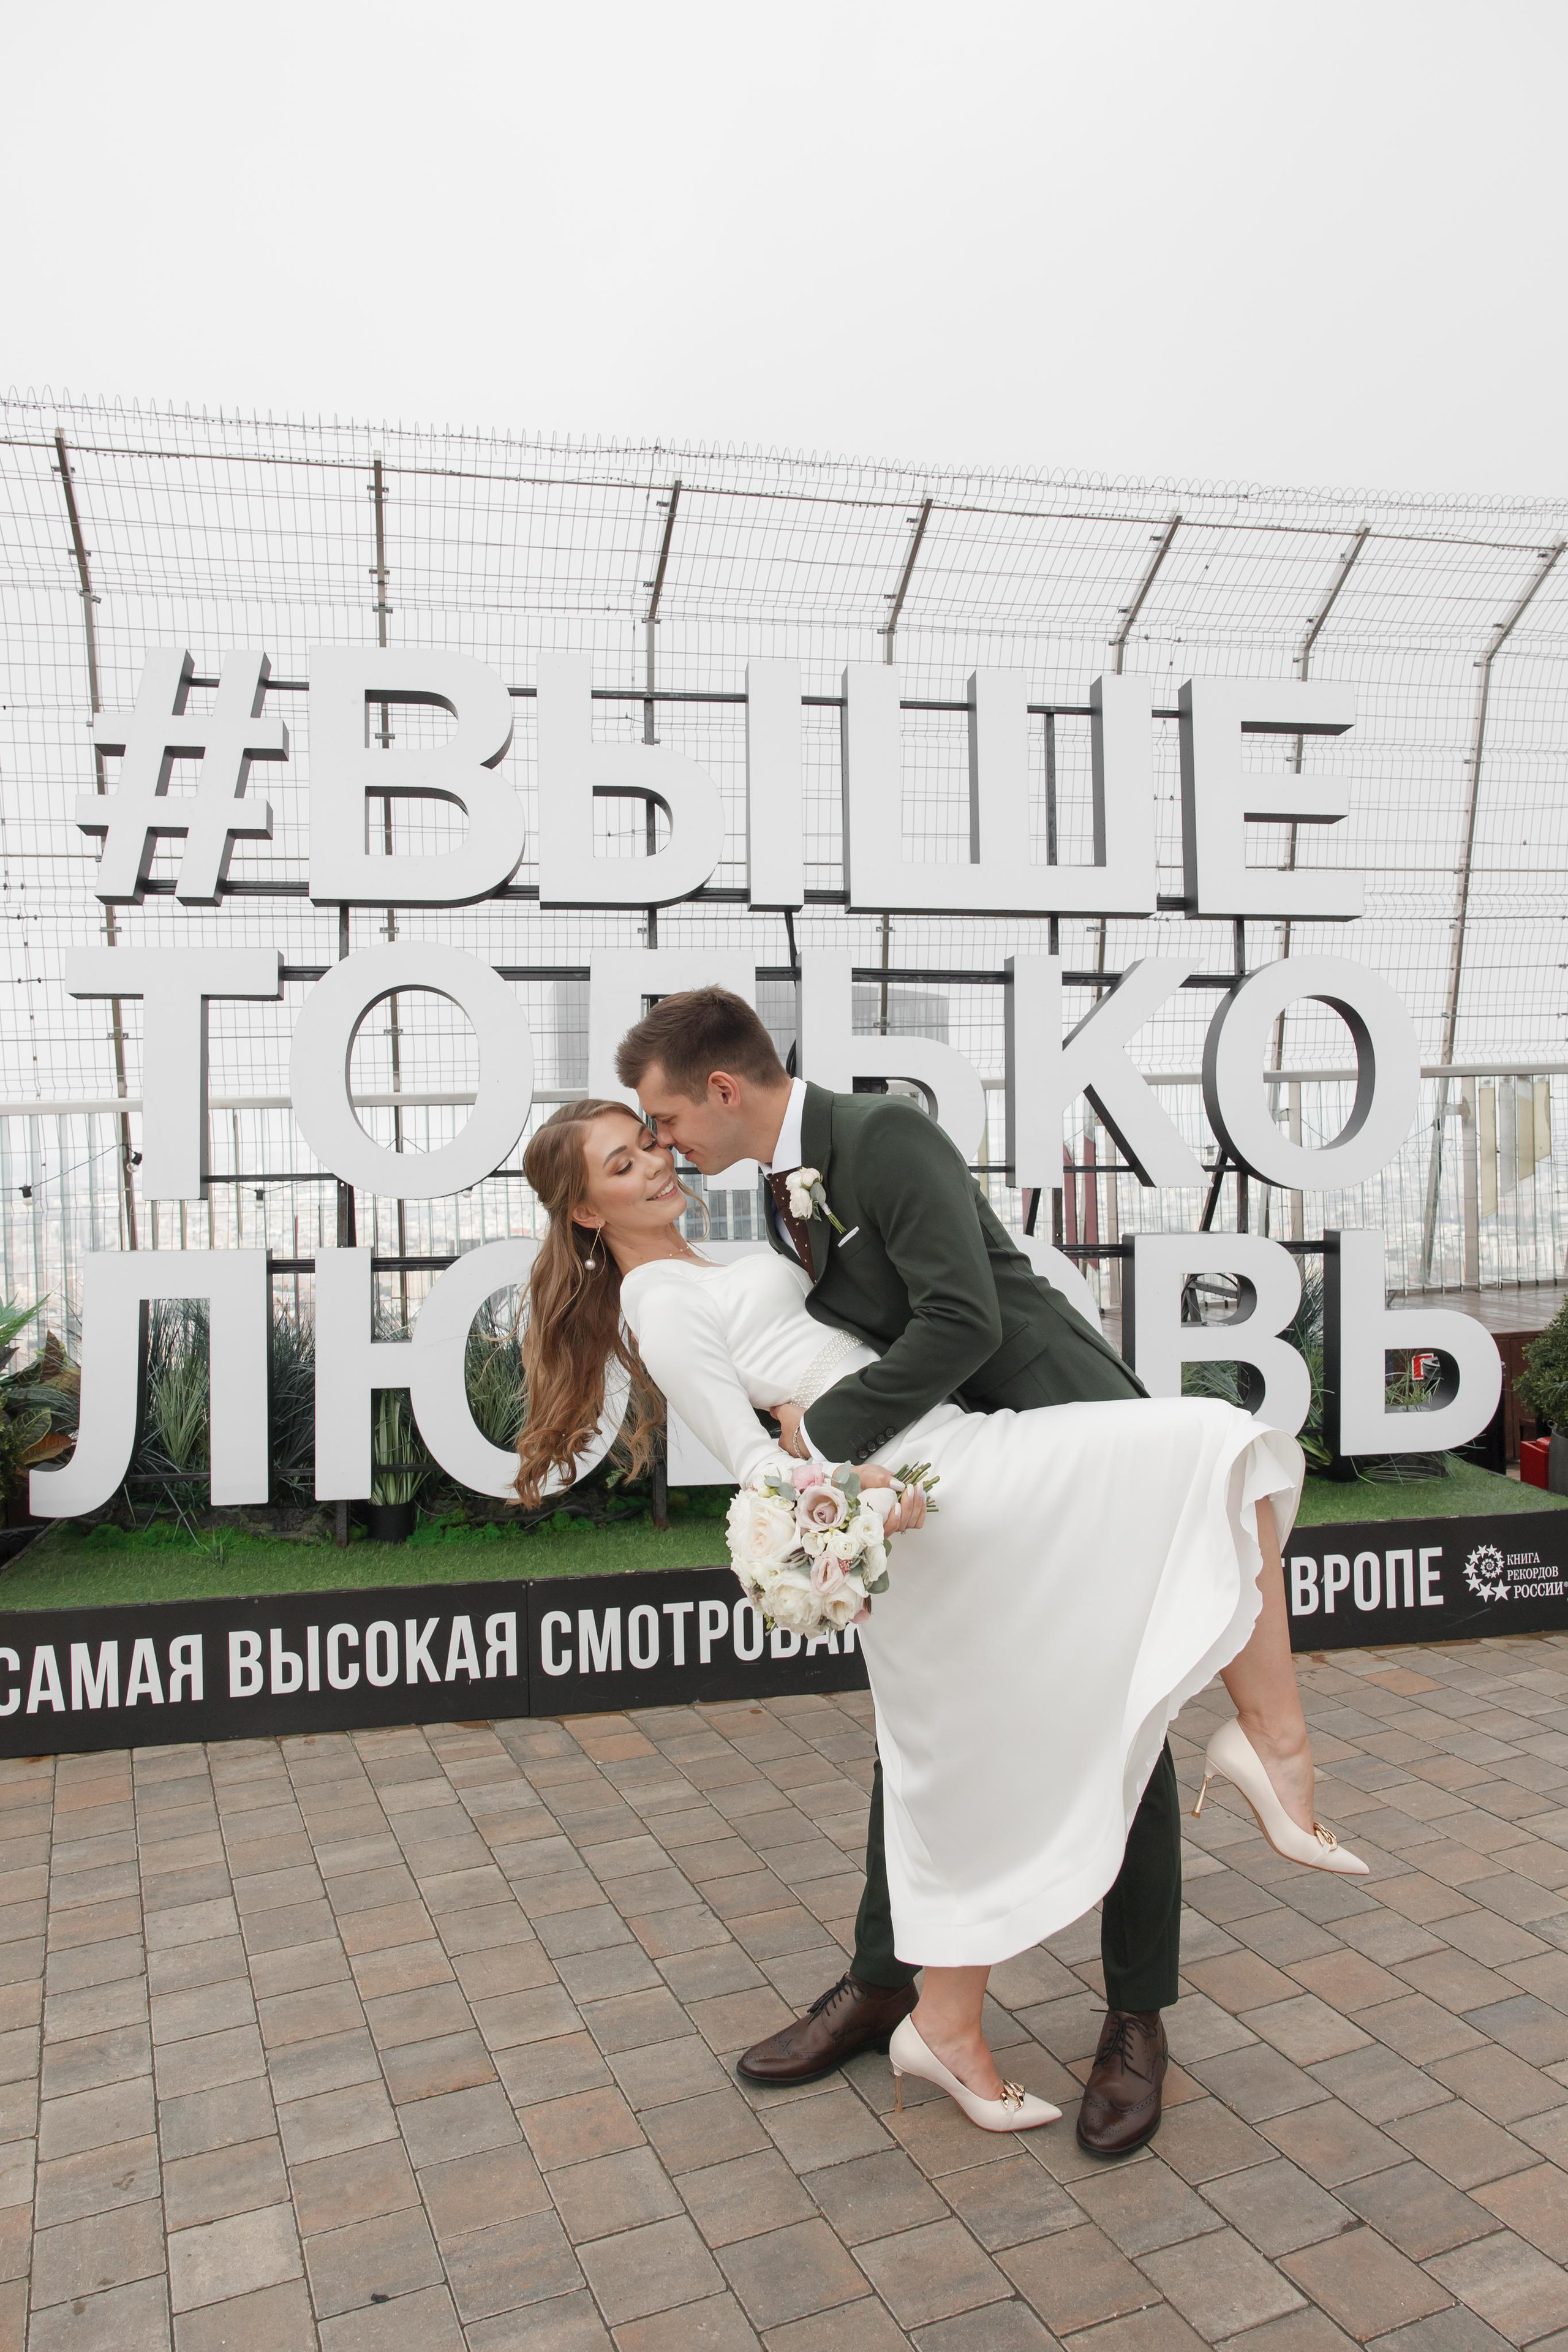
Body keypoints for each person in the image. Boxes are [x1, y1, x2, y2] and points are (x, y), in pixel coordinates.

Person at [515, 990, 1364, 2156]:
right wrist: (847, 1483)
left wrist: (833, 1439)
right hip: (932, 1484)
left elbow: (957, 1316)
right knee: (935, 1735)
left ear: (719, 1092)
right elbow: (766, 1447)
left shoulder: (859, 1149)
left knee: (1104, 1688)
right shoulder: (707, 1259)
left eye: (657, 1126)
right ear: (584, 1202)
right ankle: (905, 1992)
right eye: (631, 1150)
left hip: (1021, 1417)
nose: (662, 1153)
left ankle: (1131, 2013)